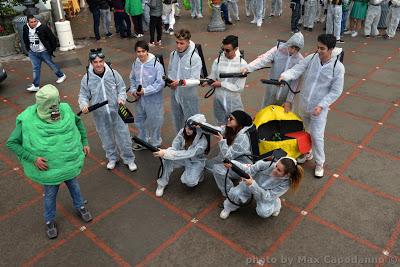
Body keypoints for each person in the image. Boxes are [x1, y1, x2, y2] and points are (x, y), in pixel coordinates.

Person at [7, 84, 92, 239]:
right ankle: (49, 221)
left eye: (57, 103)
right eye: (52, 104)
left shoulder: (65, 109)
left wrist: (85, 141)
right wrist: (33, 159)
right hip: (49, 171)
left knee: (75, 187)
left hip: (68, 164)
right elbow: (12, 142)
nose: (56, 107)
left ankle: (80, 207)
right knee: (50, 196)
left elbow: (78, 122)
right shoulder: (26, 119)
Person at [279, 34, 345, 178]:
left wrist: (322, 105)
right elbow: (298, 69)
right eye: (318, 47)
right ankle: (307, 153)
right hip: (304, 104)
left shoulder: (337, 68)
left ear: (331, 49)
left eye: (322, 48)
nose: (319, 51)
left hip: (319, 109)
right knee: (304, 131)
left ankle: (320, 162)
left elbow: (336, 91)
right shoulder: (312, 58)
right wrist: (285, 75)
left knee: (317, 135)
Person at [78, 48, 137, 171]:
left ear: (104, 61)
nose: (98, 64)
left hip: (117, 111)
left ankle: (129, 159)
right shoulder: (87, 78)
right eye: (95, 62)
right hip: (100, 115)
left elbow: (121, 88)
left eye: (101, 61)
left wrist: (121, 99)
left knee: (124, 136)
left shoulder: (113, 73)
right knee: (106, 137)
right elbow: (83, 95)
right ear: (91, 63)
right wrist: (83, 105)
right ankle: (112, 158)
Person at [219, 157, 304, 219]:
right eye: (276, 166)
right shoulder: (266, 164)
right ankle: (229, 207)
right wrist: (232, 165)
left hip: (264, 194)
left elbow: (268, 197)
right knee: (234, 193)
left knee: (263, 212)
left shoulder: (286, 183)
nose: (274, 169)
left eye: (279, 170)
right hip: (250, 184)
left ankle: (275, 205)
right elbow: (248, 169)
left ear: (286, 174)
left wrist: (253, 185)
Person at [242, 32, 304, 108]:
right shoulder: (278, 50)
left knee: (282, 114)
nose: (293, 51)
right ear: (289, 44)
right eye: (292, 47)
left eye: (296, 49)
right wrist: (248, 68)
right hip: (272, 86)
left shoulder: (300, 60)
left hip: (286, 90)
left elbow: (296, 82)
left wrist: (289, 100)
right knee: (266, 109)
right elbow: (263, 59)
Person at [154, 114, 209, 197]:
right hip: (182, 158)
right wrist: (167, 153)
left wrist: (166, 153)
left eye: (191, 129)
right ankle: (162, 183)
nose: (187, 130)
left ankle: (200, 172)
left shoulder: (203, 142)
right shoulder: (182, 131)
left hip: (195, 161)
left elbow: (189, 153)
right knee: (166, 159)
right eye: (187, 126)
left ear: (198, 130)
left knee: (190, 182)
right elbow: (175, 147)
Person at [128, 41, 165, 150]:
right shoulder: (136, 64)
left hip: (153, 100)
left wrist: (145, 91)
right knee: (139, 121)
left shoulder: (156, 65)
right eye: (138, 51)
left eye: (143, 51)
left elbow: (160, 83)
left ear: (147, 51)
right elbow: (132, 79)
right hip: (140, 100)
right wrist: (134, 90)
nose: (141, 54)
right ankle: (142, 141)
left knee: (155, 121)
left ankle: (155, 143)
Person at [204, 35, 247, 125]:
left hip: (234, 103)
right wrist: (207, 81)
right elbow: (213, 76)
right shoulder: (218, 60)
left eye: (227, 50)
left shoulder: (242, 64)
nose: (224, 52)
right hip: (218, 100)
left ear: (236, 49)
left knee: (236, 127)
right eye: (223, 49)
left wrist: (221, 84)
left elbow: (239, 87)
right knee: (220, 126)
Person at [208, 110, 254, 195]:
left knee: (217, 169)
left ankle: (229, 193)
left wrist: (221, 141)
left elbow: (228, 157)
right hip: (235, 158)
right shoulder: (233, 128)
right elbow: (219, 130)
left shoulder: (242, 138)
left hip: (243, 166)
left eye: (231, 118)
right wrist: (201, 125)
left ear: (239, 122)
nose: (228, 119)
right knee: (207, 165)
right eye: (229, 117)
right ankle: (232, 176)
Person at [167, 29, 202, 132]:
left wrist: (181, 82)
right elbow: (170, 70)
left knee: (192, 121)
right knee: (177, 119)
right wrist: (170, 82)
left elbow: (196, 80)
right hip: (175, 93)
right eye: (177, 42)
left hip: (189, 96)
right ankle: (180, 141)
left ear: (188, 42)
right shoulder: (173, 54)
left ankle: (194, 143)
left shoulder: (194, 58)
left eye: (181, 43)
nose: (178, 46)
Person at [23, 15, 66, 92]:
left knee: (51, 65)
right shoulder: (25, 28)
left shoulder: (43, 27)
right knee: (35, 69)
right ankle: (36, 85)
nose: (33, 23)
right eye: (31, 22)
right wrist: (28, 49)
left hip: (43, 52)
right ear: (28, 22)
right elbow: (25, 38)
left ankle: (61, 75)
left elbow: (52, 38)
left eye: (34, 21)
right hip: (33, 53)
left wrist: (51, 50)